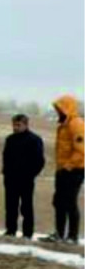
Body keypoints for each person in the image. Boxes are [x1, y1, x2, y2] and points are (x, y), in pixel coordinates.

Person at [45, 95, 84, 245]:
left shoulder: (76, 124)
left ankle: (72, 237)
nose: (57, 112)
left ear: (67, 108)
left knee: (69, 202)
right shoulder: (64, 125)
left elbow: (81, 150)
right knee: (59, 202)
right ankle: (59, 234)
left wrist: (68, 166)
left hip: (74, 171)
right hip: (63, 170)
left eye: (60, 108)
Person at [2, 114, 44, 239]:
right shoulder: (10, 139)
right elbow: (6, 157)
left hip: (26, 179)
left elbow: (39, 161)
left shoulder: (34, 140)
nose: (15, 127)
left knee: (26, 207)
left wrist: (31, 174)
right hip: (10, 179)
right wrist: (6, 172)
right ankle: (10, 230)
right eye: (14, 125)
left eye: (18, 125)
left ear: (26, 125)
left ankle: (27, 233)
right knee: (10, 206)